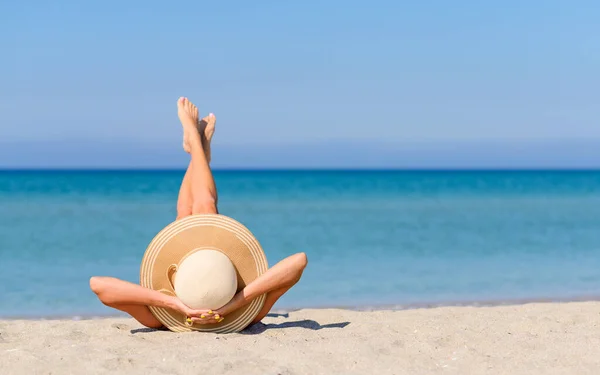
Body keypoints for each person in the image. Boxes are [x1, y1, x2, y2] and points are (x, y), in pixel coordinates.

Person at [89, 97, 307, 329]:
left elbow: (99, 285)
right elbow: (298, 261)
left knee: (187, 214)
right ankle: (196, 146)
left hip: (183, 300)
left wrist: (174, 304)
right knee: (204, 207)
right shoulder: (247, 315)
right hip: (229, 299)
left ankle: (196, 146)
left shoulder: (159, 320)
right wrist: (234, 304)